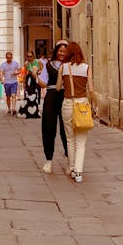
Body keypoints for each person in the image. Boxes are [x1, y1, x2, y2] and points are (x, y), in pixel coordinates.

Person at [56, 41, 97, 183]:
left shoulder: (63, 67)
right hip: (82, 105)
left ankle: (72, 168)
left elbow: (57, 87)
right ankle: (79, 172)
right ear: (80, 53)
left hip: (67, 104)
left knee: (70, 139)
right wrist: (95, 104)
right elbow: (90, 89)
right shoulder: (86, 68)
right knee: (81, 141)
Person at [38, 39, 69, 174]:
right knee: (49, 127)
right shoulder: (48, 65)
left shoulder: (69, 65)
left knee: (66, 129)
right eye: (60, 50)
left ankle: (70, 160)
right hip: (51, 95)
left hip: (65, 96)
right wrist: (35, 75)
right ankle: (49, 160)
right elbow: (43, 83)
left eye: (65, 51)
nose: (62, 53)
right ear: (56, 51)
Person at [0, 51, 20, 115]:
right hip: (7, 82)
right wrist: (2, 79)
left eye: (10, 58)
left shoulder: (16, 63)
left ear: (12, 57)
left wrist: (15, 73)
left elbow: (19, 70)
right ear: (6, 57)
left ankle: (13, 109)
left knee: (13, 95)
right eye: (8, 58)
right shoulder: (3, 64)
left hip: (14, 82)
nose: (9, 59)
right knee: (8, 96)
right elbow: (1, 73)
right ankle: (9, 108)